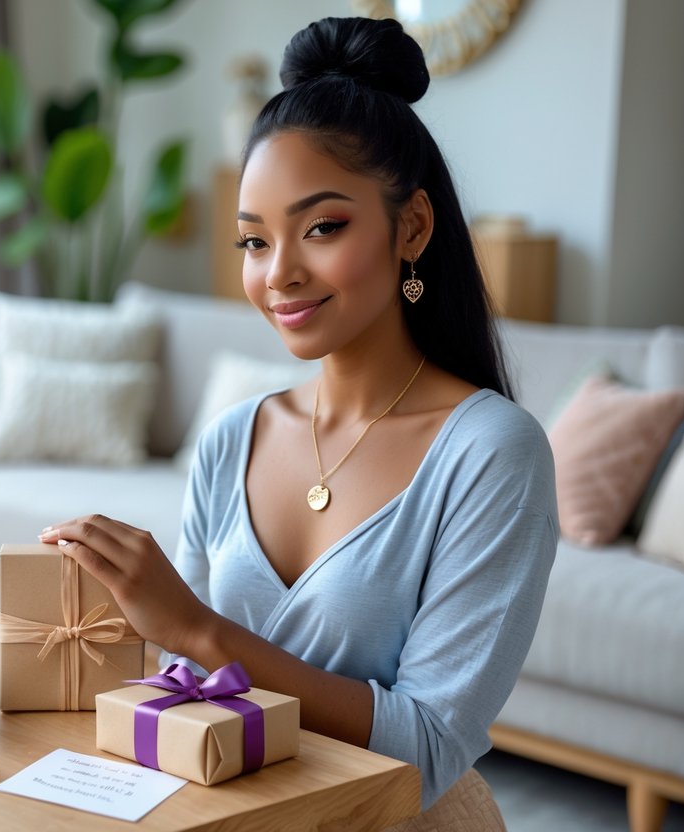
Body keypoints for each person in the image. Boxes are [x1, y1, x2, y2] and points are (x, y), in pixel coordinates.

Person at [39, 16, 558, 816]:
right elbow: (185, 686)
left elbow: (424, 751)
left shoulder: (492, 453)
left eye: (321, 228)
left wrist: (198, 631)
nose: (278, 274)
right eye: (253, 242)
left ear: (410, 227)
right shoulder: (230, 439)